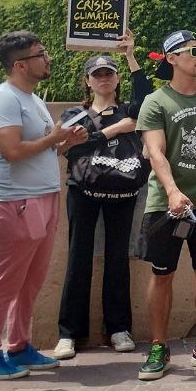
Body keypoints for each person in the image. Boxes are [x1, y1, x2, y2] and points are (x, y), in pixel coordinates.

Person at [0, 32, 87, 380]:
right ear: (20, 64)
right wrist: (55, 138)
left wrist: (64, 142)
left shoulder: (31, 98)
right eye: (41, 54)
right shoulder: (3, 99)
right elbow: (12, 152)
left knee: (30, 282)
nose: (48, 59)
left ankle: (19, 347)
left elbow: (42, 151)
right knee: (5, 282)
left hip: (44, 197)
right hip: (15, 201)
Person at [135, 30, 196, 380]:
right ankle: (159, 346)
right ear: (172, 59)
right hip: (169, 204)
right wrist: (173, 192)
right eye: (192, 51)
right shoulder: (156, 101)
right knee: (162, 275)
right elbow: (155, 152)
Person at [52, 31, 153, 360]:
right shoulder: (74, 115)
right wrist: (115, 129)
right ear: (88, 81)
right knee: (78, 257)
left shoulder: (129, 108)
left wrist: (131, 56)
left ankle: (119, 327)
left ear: (117, 77)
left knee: (117, 259)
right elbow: (66, 145)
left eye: (109, 73)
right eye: (97, 74)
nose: (103, 79)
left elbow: (145, 101)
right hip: (82, 190)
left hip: (123, 189)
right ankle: (69, 333)